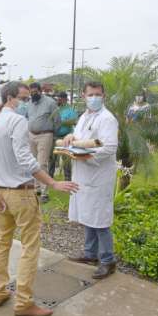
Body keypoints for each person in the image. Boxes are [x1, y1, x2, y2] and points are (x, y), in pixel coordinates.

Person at [0, 81, 79, 316]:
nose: (27, 103)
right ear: (10, 98)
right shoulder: (17, 121)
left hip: (0, 194)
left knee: (2, 243)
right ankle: (24, 302)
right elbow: (26, 160)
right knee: (29, 247)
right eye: (23, 98)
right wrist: (53, 183)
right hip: (20, 193)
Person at [65, 81, 119, 280]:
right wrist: (71, 137)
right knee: (88, 214)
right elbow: (81, 137)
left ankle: (107, 260)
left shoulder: (107, 118)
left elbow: (109, 147)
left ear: (104, 96)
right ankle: (90, 254)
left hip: (98, 175)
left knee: (100, 219)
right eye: (91, 94)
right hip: (84, 174)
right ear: (83, 95)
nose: (94, 97)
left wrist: (86, 156)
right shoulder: (85, 116)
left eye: (98, 94)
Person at [27, 82, 60, 203]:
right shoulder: (29, 103)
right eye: (31, 92)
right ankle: (36, 189)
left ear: (40, 91)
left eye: (35, 91)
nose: (33, 94)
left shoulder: (50, 102)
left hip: (45, 135)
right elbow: (27, 117)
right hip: (31, 135)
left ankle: (45, 192)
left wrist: (52, 134)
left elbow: (57, 120)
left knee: (41, 163)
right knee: (33, 163)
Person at [49, 91, 78, 181]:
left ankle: (67, 178)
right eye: (57, 98)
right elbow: (50, 120)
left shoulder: (70, 110)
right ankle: (50, 177)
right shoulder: (55, 109)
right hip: (54, 136)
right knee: (52, 158)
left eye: (60, 98)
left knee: (66, 159)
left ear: (65, 99)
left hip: (65, 137)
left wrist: (61, 122)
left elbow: (73, 121)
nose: (58, 100)